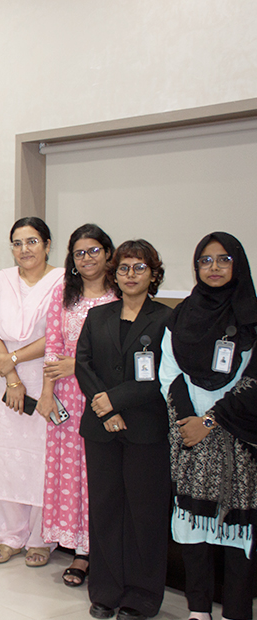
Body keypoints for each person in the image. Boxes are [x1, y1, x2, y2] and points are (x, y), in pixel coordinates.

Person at [160, 232, 257, 620]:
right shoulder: (182, 314)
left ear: (238, 264)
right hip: (188, 434)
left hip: (239, 437)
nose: (214, 268)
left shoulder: (252, 314)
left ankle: (236, 612)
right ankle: (198, 611)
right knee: (193, 529)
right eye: (205, 260)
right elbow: (168, 374)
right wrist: (189, 423)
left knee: (238, 533)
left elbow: (253, 382)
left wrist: (211, 422)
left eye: (223, 260)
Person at [76, 239, 171, 620]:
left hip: (146, 429)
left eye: (139, 268)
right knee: (105, 510)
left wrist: (115, 401)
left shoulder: (166, 319)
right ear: (114, 274)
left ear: (153, 274)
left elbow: (163, 376)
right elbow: (83, 363)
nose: (130, 275)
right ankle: (105, 591)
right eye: (124, 268)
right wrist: (104, 408)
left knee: (144, 514)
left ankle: (143, 596)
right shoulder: (98, 316)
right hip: (101, 430)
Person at [36, 224, 117, 587]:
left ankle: (100, 551)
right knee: (69, 478)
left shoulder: (119, 295)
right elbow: (53, 346)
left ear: (108, 253)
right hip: (66, 400)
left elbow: (120, 354)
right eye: (80, 252)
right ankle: (79, 551)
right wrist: (47, 391)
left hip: (101, 397)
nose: (87, 258)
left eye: (94, 250)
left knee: (98, 478)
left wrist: (77, 365)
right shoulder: (64, 295)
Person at [0, 216, 63, 566]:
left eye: (32, 241)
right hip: (5, 378)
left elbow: (57, 336)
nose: (24, 249)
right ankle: (9, 536)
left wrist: (14, 360)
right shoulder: (0, 280)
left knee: (39, 460)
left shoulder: (62, 281)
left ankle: (40, 538)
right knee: (4, 457)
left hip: (45, 376)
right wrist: (11, 375)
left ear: (47, 244)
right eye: (17, 243)